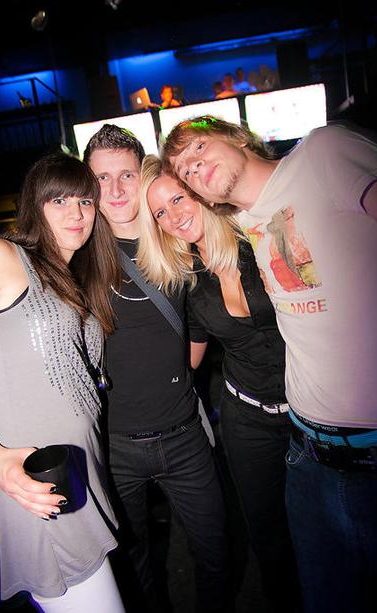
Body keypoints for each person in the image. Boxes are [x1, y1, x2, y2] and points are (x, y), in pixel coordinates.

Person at [161, 115, 377, 613]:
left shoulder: (323, 153)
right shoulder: (246, 223)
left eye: (199, 147)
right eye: (185, 169)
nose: (193, 166)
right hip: (307, 452)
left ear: (237, 137)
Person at [136, 154, 301, 612]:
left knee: (323, 528)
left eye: (178, 199)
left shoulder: (257, 235)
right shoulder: (187, 277)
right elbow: (188, 354)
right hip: (247, 420)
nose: (173, 217)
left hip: (311, 411)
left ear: (199, 191)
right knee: (268, 536)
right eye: (160, 213)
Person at [0, 153, 125, 612]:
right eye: (59, 200)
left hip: (77, 476)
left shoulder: (70, 278)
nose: (76, 213)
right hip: (33, 483)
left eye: (85, 201)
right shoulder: (0, 257)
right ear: (34, 205)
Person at [82, 124, 232, 613]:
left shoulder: (174, 241)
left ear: (142, 174)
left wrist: (178, 378)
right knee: (137, 567)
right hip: (115, 447)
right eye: (101, 178)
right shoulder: (76, 257)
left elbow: (200, 320)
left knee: (217, 553)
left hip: (185, 436)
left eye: (126, 174)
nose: (115, 190)